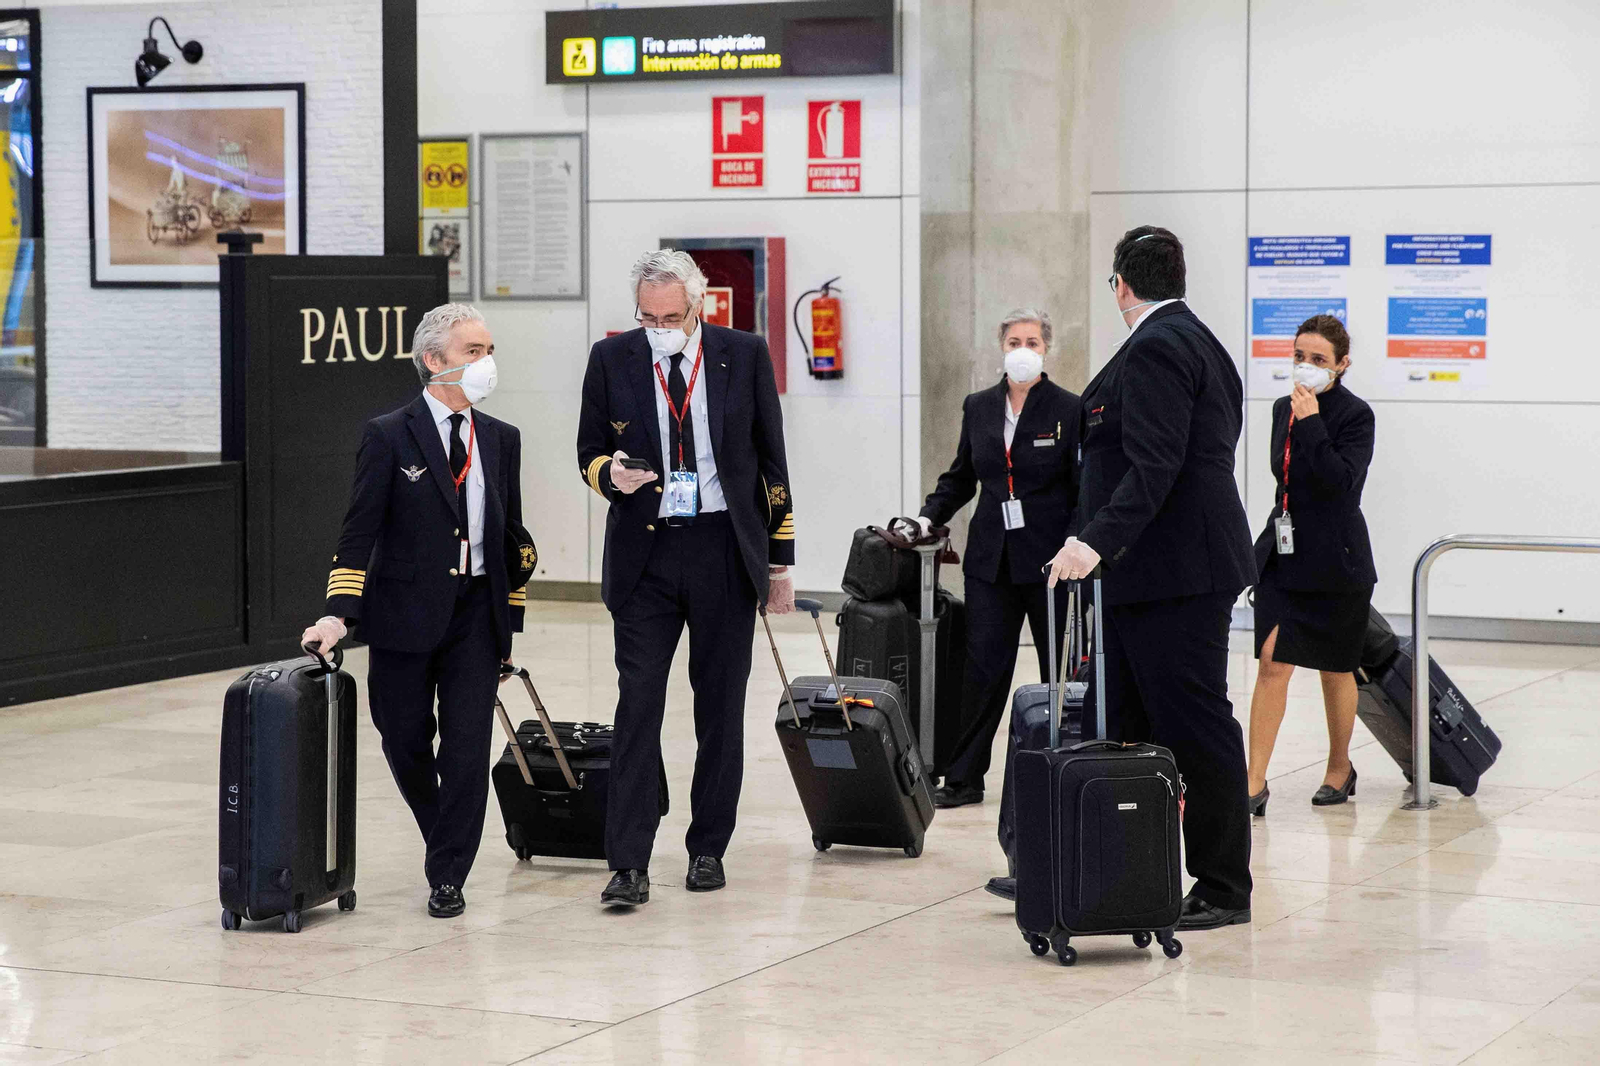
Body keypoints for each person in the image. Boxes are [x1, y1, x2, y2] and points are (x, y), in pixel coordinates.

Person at [1047, 225, 1257, 931]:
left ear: (1122, 285)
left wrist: (1093, 542)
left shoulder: (1161, 347)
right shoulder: (1192, 339)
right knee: (1127, 726)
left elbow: (1156, 464)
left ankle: (1224, 886)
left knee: (1196, 728)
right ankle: (1114, 869)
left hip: (1176, 573)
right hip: (1157, 573)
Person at [576, 249, 796, 907]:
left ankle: (707, 847)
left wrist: (778, 562)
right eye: (648, 317)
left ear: (698, 305)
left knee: (720, 706)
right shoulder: (611, 358)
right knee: (638, 704)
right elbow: (586, 450)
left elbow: (772, 462)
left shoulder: (742, 353)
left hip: (722, 550)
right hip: (645, 554)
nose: (660, 327)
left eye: (672, 316)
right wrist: (609, 475)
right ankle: (629, 862)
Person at [302, 303, 525, 919]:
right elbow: (358, 535)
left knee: (465, 750)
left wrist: (510, 629)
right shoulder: (388, 434)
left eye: (488, 350)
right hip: (402, 614)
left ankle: (448, 871)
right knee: (403, 739)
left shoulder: (501, 440)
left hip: (476, 617)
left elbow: (513, 543)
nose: (486, 363)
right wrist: (336, 614)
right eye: (472, 352)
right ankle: (444, 835)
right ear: (435, 361)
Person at [914, 309, 1081, 812]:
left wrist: (1078, 542)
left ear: (1046, 348)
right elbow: (963, 475)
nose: (1022, 348)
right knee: (983, 668)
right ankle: (964, 778)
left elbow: (1082, 489)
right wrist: (927, 517)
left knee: (1061, 667)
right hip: (991, 559)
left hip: (1051, 561)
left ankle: (1067, 762)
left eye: (1031, 340)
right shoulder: (979, 405)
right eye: (1013, 340)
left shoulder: (1068, 409)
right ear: (1001, 347)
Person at [1245, 315, 1377, 813]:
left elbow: (1339, 484)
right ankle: (1253, 781)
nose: (1306, 367)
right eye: (1299, 356)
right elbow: (1286, 481)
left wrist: (1313, 423)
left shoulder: (1354, 415)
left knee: (1334, 668)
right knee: (1272, 661)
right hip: (1286, 552)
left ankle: (1340, 766)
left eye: (1318, 360)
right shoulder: (1283, 408)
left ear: (1341, 365)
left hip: (1337, 558)